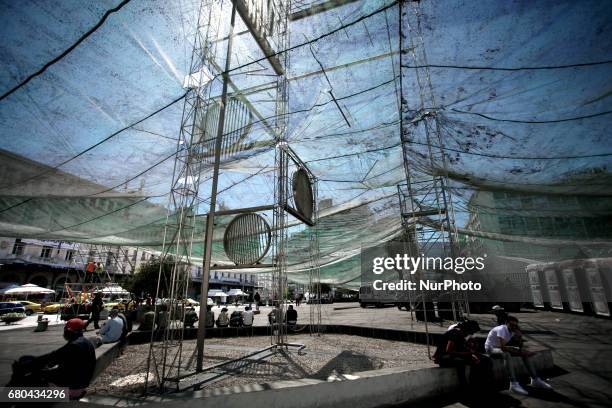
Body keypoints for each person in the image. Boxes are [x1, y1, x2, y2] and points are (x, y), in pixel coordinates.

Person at [7, 318, 96, 400]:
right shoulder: (85, 342)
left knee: (28, 379)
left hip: (70, 389)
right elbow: (53, 359)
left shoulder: (74, 346)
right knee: (31, 364)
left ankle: (8, 397)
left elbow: (50, 358)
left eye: (65, 329)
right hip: (78, 384)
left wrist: (23, 367)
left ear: (69, 331)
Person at [484, 316, 552, 395]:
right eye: (511, 325)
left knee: (525, 354)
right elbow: (503, 347)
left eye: (515, 325)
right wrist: (518, 351)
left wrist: (519, 337)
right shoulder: (501, 329)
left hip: (499, 348)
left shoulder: (513, 330)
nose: (513, 327)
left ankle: (535, 380)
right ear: (506, 323)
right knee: (506, 354)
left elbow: (519, 346)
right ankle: (513, 384)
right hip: (491, 349)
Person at [433, 320, 490, 388]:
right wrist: (467, 354)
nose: (471, 334)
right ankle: (467, 385)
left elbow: (462, 348)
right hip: (443, 358)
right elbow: (449, 350)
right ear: (467, 329)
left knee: (484, 359)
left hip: (450, 356)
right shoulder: (455, 333)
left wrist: (472, 352)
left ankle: (480, 382)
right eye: (471, 332)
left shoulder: (461, 335)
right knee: (463, 363)